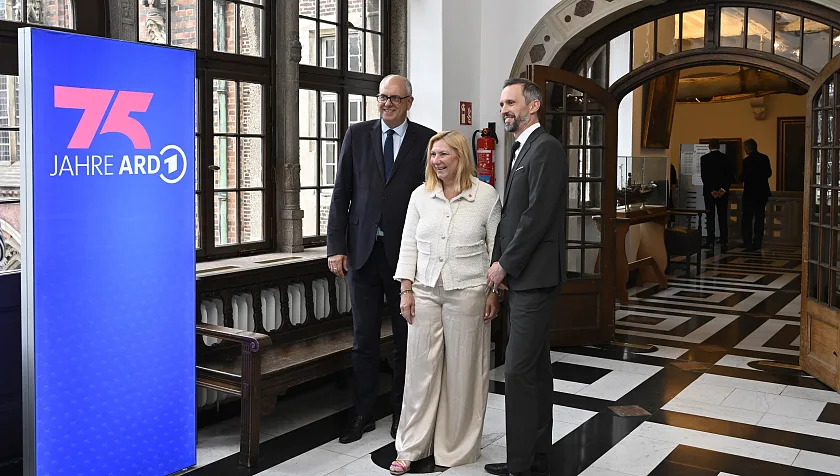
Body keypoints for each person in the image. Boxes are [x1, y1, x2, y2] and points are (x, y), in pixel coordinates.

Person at [326, 74, 437, 444]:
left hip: (407, 260)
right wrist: (335, 247)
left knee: (406, 339)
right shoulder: (357, 135)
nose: (386, 103)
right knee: (364, 340)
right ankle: (362, 413)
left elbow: (433, 199)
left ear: (409, 102)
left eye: (394, 98)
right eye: (381, 97)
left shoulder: (427, 140)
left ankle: (401, 413)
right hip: (362, 254)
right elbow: (342, 193)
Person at [388, 130, 501, 474]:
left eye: (444, 154)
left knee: (464, 373)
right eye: (433, 155)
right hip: (424, 291)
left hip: (469, 292)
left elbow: (497, 249)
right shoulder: (420, 196)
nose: (436, 161)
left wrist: (494, 291)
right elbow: (408, 244)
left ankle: (455, 449)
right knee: (419, 372)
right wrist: (406, 289)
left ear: (461, 157)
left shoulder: (486, 196)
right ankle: (410, 447)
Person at [485, 78, 568, 476]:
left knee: (517, 369)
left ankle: (519, 463)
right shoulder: (521, 149)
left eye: (511, 102)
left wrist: (505, 264)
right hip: (523, 276)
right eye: (502, 103)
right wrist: (502, 261)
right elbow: (511, 215)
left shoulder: (546, 148)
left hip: (535, 278)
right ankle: (536, 453)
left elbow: (537, 217)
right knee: (535, 368)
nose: (504, 109)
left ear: (533, 106)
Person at [700, 139, 735, 248]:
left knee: (710, 216)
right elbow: (730, 176)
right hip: (722, 193)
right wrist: (723, 190)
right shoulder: (726, 158)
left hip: (709, 193)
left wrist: (712, 190)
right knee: (722, 216)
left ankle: (710, 240)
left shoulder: (704, 158)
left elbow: (704, 176)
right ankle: (724, 239)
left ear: (709, 146)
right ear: (719, 146)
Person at [740, 138, 772, 252]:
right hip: (762, 192)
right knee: (759, 218)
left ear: (747, 148)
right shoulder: (764, 158)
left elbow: (744, 177)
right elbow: (769, 173)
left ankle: (747, 242)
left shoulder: (747, 161)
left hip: (750, 192)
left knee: (747, 218)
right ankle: (758, 242)